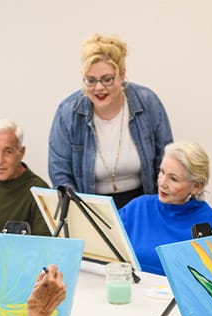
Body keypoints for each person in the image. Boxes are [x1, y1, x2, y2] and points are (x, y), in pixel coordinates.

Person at [48, 33, 173, 209]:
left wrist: (156, 210)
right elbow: (60, 175)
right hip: (90, 206)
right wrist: (82, 214)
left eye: (107, 79)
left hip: (144, 205)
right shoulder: (67, 112)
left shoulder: (148, 103)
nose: (99, 88)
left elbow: (166, 162)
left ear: (122, 75)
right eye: (91, 80)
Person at [118, 141, 212, 275]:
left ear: (196, 187)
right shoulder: (137, 208)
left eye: (174, 179)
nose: (162, 183)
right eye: (162, 172)